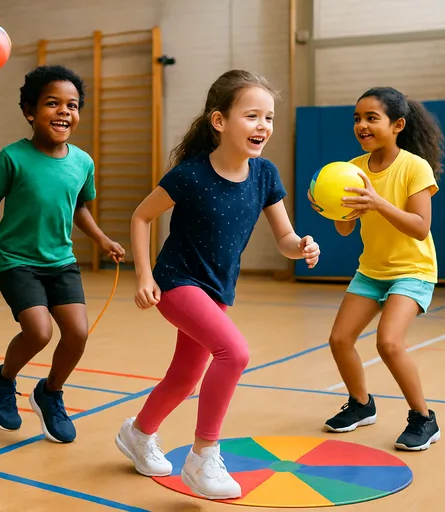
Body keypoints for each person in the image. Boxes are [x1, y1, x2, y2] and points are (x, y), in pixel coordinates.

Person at [114, 69, 320, 499]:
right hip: (176, 282)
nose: (262, 125)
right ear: (220, 121)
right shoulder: (189, 175)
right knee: (235, 352)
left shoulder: (264, 176)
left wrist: (300, 246)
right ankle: (202, 456)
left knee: (186, 375)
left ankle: (138, 433)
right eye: (252, 115)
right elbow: (141, 216)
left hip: (216, 291)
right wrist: (145, 276)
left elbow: (283, 238)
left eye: (269, 117)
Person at [0, 65, 125, 444]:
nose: (63, 112)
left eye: (72, 105)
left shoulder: (82, 162)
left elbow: (80, 209)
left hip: (61, 261)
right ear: (29, 111)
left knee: (77, 333)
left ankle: (50, 393)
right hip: (16, 261)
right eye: (52, 103)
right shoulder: (13, 157)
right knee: (39, 331)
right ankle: (2, 380)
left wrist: (102, 240)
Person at [310, 87, 443, 451]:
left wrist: (378, 202)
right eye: (357, 118)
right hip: (371, 270)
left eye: (372, 118)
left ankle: (423, 419)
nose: (362, 125)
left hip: (413, 269)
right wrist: (330, 209)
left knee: (388, 342)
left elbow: (420, 227)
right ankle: (360, 404)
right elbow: (345, 226)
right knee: (339, 339)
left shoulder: (415, 167)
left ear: (397, 124)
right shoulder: (351, 168)